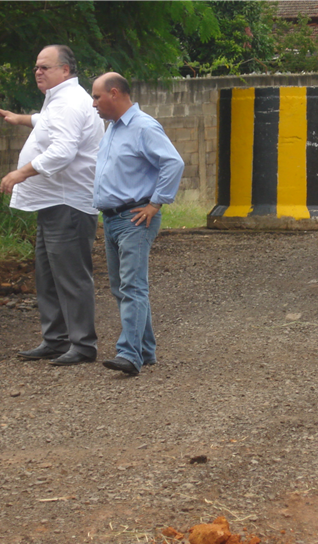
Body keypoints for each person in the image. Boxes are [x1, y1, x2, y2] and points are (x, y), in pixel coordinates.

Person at [0, 45, 104, 366]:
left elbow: (62, 151)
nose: (38, 71)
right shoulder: (62, 99)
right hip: (54, 202)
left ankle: (82, 345)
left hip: (68, 203)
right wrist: (20, 119)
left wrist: (20, 173)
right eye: (36, 67)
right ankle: (56, 340)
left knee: (70, 276)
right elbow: (48, 122)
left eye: (45, 67)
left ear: (65, 70)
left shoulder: (69, 101)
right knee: (48, 275)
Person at [91, 73, 185, 376]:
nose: (93, 104)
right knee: (121, 287)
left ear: (114, 94)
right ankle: (145, 350)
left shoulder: (143, 127)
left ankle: (129, 354)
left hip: (134, 218)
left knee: (133, 286)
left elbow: (173, 162)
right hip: (113, 218)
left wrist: (156, 203)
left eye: (96, 97)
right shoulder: (113, 129)